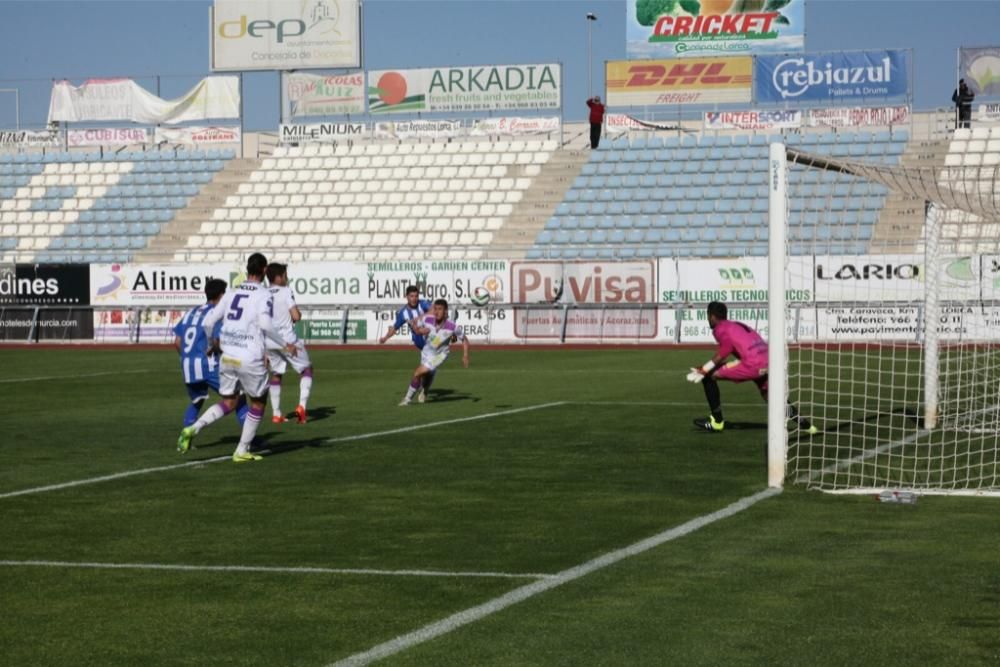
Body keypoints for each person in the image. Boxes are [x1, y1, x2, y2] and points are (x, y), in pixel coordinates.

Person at [176, 253, 298, 463]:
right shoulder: (263, 294)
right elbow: (267, 325)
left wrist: (211, 344)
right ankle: (242, 450)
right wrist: (285, 344)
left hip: (228, 355)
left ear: (247, 269)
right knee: (258, 402)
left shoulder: (231, 292)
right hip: (249, 355)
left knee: (229, 401)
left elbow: (208, 322)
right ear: (264, 270)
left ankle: (193, 428)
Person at [687, 301, 816, 434]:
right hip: (768, 361)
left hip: (752, 364)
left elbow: (726, 349)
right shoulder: (736, 324)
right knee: (771, 397)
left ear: (712, 316)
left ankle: (717, 421)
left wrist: (705, 368)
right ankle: (808, 426)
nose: (708, 319)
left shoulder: (719, 328)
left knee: (708, 375)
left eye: (708, 316)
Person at [172, 278, 248, 428]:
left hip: (188, 367)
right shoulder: (217, 313)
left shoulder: (191, 312)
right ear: (221, 296)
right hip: (208, 365)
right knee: (238, 397)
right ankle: (251, 441)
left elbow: (177, 341)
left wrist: (187, 357)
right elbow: (218, 341)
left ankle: (185, 439)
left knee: (197, 400)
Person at [265, 262, 313, 424]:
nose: (287, 278)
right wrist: (297, 313)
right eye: (285, 275)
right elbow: (296, 316)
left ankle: (276, 414)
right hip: (288, 340)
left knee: (276, 374)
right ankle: (302, 406)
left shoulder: (263, 293)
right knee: (306, 370)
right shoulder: (285, 291)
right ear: (278, 277)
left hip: (270, 341)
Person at [398, 299, 470, 406]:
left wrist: (465, 355)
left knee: (418, 372)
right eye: (435, 309)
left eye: (440, 309)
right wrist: (415, 327)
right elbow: (418, 329)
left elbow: (464, 340)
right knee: (426, 375)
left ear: (445, 311)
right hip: (426, 352)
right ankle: (425, 390)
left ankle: (407, 399)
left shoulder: (452, 327)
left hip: (440, 355)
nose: (436, 312)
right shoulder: (427, 320)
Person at [379, 285, 437, 402]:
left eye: (416, 296)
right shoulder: (403, 313)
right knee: (426, 371)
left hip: (431, 343)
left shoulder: (423, 304)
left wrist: (420, 317)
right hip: (420, 343)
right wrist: (385, 338)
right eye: (411, 296)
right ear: (406, 297)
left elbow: (433, 309)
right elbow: (395, 328)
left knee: (428, 371)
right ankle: (413, 396)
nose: (414, 298)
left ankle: (416, 394)